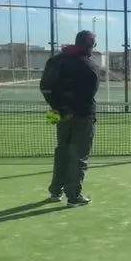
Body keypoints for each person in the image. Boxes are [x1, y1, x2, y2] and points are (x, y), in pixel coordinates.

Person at [41, 30, 100, 207]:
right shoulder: (89, 65)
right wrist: (70, 110)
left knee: (62, 152)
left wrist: (61, 109)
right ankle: (73, 197)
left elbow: (45, 88)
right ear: (89, 45)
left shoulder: (55, 61)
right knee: (79, 157)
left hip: (60, 116)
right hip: (83, 116)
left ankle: (55, 192)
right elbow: (89, 93)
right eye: (93, 45)